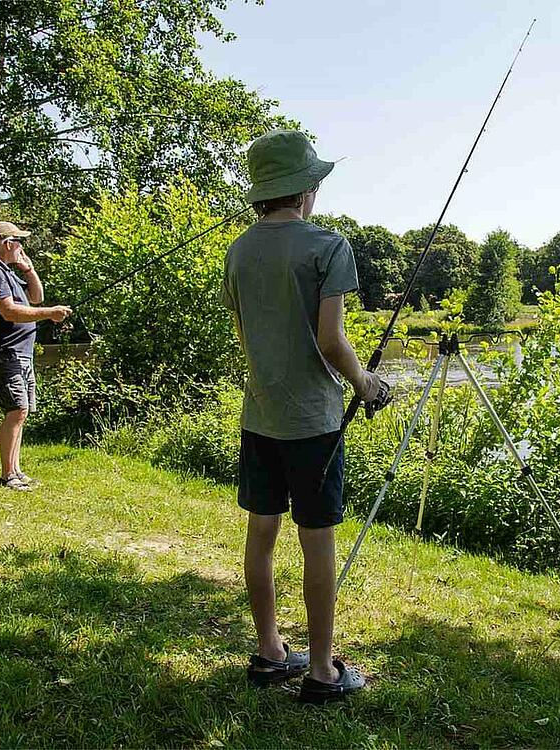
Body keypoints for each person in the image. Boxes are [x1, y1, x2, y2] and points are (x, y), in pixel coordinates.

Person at [222, 129, 383, 704]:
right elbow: (332, 340)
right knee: (317, 540)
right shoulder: (328, 247)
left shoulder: (238, 250)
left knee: (260, 533)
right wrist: (365, 383)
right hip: (314, 423)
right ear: (306, 190)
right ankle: (320, 669)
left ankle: (269, 653)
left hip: (258, 416)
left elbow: (247, 336)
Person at [0, 221, 71, 491]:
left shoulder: (7, 272)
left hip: (20, 354)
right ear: (8, 244)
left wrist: (28, 269)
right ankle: (7, 476)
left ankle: (15, 470)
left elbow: (36, 297)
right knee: (16, 410)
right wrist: (51, 313)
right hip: (5, 352)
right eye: (19, 242)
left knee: (21, 412)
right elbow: (9, 311)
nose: (22, 247)